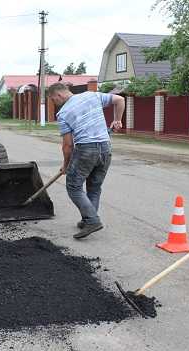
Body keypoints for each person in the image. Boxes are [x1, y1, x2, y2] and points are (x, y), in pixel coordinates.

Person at [48, 82, 125, 239]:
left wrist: (66, 165)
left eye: (53, 100)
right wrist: (117, 120)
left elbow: (68, 145)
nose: (54, 104)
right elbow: (119, 100)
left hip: (86, 150)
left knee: (73, 187)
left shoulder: (63, 114)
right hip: (105, 149)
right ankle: (88, 218)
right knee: (94, 187)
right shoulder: (93, 95)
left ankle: (92, 220)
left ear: (59, 95)